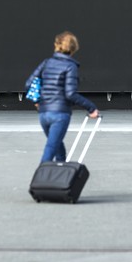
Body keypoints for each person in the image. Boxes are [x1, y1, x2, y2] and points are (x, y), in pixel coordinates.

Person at [25, 31, 99, 164]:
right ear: (74, 48)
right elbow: (70, 93)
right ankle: (41, 180)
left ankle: (60, 175)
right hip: (60, 113)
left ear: (57, 45)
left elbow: (29, 84)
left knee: (57, 146)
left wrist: (37, 101)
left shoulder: (46, 63)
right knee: (51, 149)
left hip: (44, 113)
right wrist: (91, 108)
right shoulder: (70, 66)